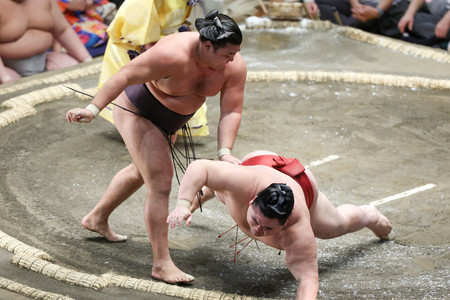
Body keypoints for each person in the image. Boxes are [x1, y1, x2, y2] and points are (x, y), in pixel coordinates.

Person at [65, 9, 246, 284]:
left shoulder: (233, 65)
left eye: (235, 53)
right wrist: (92, 108)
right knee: (160, 181)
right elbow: (125, 75)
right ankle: (161, 264)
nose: (232, 59)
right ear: (207, 45)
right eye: (226, 54)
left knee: (142, 171)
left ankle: (97, 218)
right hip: (139, 109)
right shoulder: (172, 53)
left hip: (172, 119)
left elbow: (231, 110)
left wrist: (225, 152)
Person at [167, 150, 392, 298]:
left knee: (335, 225)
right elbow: (201, 168)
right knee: (223, 190)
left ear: (285, 224)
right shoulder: (241, 184)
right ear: (253, 200)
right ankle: (199, 200)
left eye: (267, 229)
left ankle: (369, 216)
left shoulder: (299, 229)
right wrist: (183, 204)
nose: (257, 230)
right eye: (256, 221)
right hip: (257, 163)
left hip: (301, 183)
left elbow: (308, 279)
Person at [97, 0, 209, 137]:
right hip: (141, 38)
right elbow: (138, 10)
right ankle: (134, 128)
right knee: (136, 88)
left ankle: (158, 125)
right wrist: (149, 43)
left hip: (168, 38)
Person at [0, 0, 92, 84]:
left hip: (44, 61)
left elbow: (63, 30)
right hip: (7, 68)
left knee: (77, 69)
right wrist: (5, 77)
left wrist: (86, 59)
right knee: (9, 89)